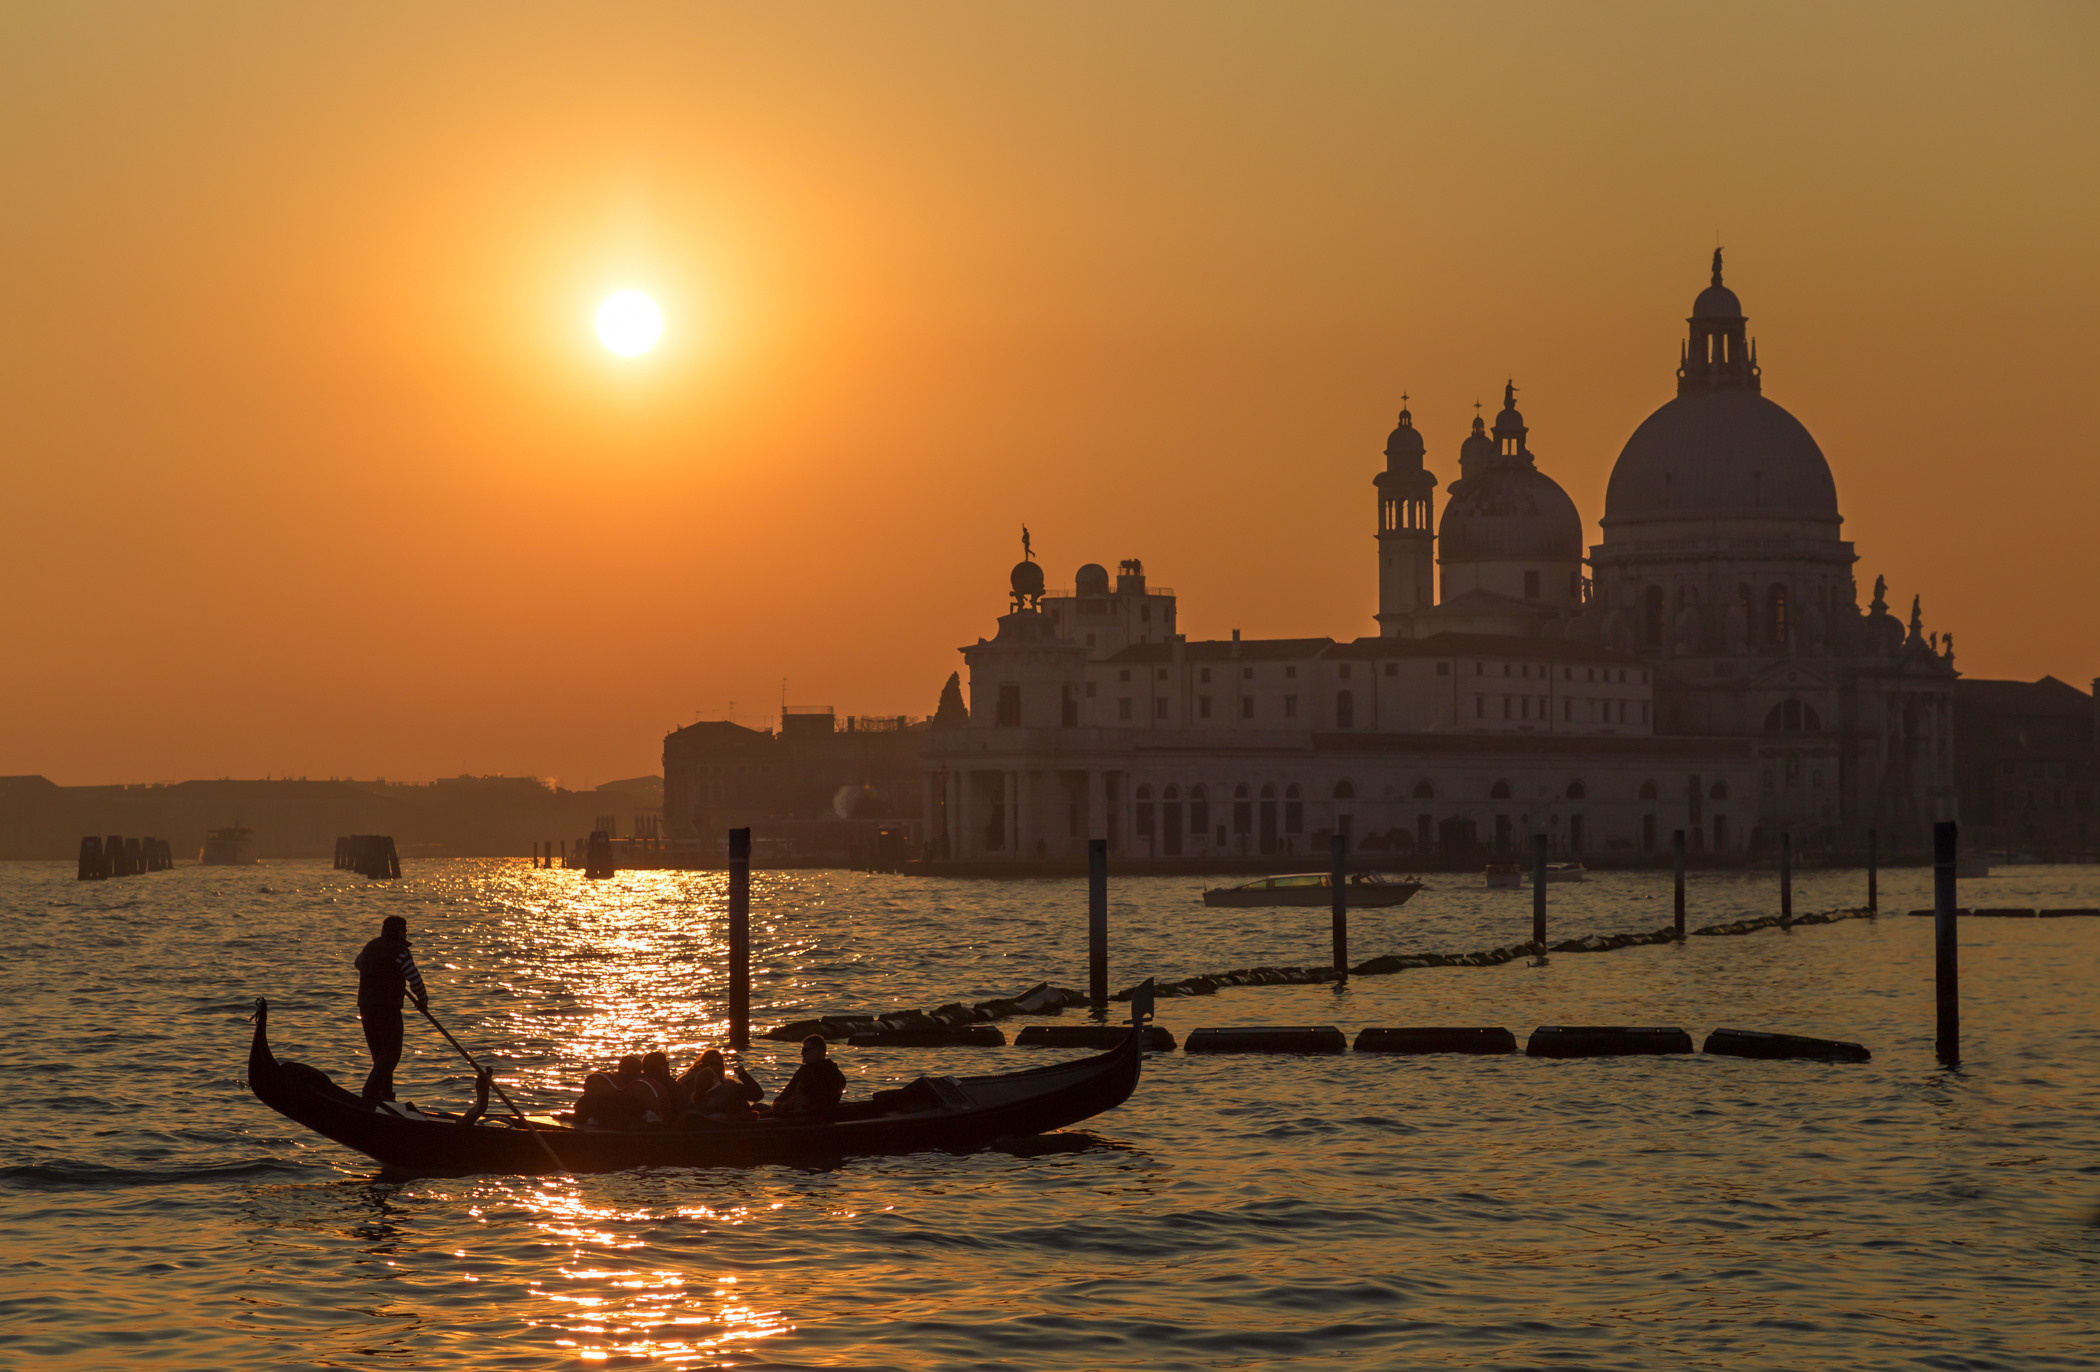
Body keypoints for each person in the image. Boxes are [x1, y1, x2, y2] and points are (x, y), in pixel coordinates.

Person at [354, 915, 428, 1102]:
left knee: (380, 1055)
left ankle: (386, 1097)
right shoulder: (400, 951)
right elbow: (414, 977)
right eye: (405, 931)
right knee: (392, 1053)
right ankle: (370, 1092)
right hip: (387, 1009)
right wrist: (423, 999)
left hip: (366, 1008)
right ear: (400, 932)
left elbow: (358, 963)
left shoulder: (370, 947)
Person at [765, 1035, 845, 1120]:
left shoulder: (828, 1075)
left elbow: (817, 1103)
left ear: (818, 1051)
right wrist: (778, 1105)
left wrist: (783, 1106)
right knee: (758, 1107)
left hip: (801, 1118)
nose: (802, 1053)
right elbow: (785, 1095)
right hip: (796, 1114)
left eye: (805, 1050)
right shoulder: (805, 1071)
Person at [679, 1049, 765, 1121]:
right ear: (704, 1064)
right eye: (713, 1063)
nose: (717, 1067)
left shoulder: (728, 1086)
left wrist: (743, 1075)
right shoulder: (688, 1082)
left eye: (719, 1064)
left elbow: (757, 1095)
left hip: (724, 1121)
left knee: (759, 1107)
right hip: (708, 1123)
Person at [577, 1055, 647, 1128]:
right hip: (610, 1119)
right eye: (638, 1071)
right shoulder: (628, 1085)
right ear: (634, 1072)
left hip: (594, 1115)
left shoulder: (603, 1080)